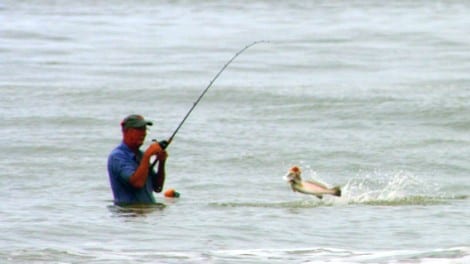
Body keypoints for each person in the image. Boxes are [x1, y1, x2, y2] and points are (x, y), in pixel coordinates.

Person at [107, 114, 168, 205]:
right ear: (127, 131)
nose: (144, 133)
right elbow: (137, 183)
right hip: (128, 214)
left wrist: (161, 162)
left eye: (145, 129)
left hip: (145, 213)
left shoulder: (141, 155)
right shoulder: (117, 156)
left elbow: (158, 187)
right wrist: (147, 155)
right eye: (139, 129)